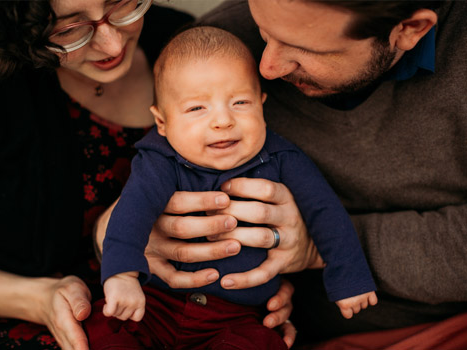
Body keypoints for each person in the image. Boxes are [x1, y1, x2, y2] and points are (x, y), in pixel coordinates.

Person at [0, 1, 299, 349]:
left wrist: (259, 285)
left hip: (195, 313)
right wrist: (40, 298)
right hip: (48, 316)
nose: (112, 44)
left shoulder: (181, 41)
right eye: (68, 30)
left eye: (122, 5)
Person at [148, 0, 467, 347]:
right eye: (264, 31)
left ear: (409, 29)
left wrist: (317, 245)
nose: (267, 68)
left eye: (305, 48)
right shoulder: (218, 48)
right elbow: (153, 169)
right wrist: (117, 233)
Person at [85, 25, 377, 350]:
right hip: (156, 304)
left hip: (236, 317)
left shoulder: (282, 158)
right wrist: (123, 276)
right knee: (101, 329)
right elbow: (133, 210)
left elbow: (326, 212)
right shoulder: (159, 160)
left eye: (240, 102)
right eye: (197, 108)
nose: (223, 120)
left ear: (262, 104)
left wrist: (349, 276)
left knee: (262, 344)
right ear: (162, 122)